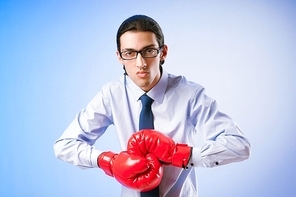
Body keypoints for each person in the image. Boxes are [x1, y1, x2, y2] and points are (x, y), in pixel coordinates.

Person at [54, 14, 251, 197]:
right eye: (130, 53)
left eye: (148, 51)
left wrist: (182, 154)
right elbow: (64, 146)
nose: (140, 63)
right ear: (119, 57)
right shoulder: (112, 94)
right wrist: (108, 161)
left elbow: (239, 145)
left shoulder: (190, 95)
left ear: (163, 52)